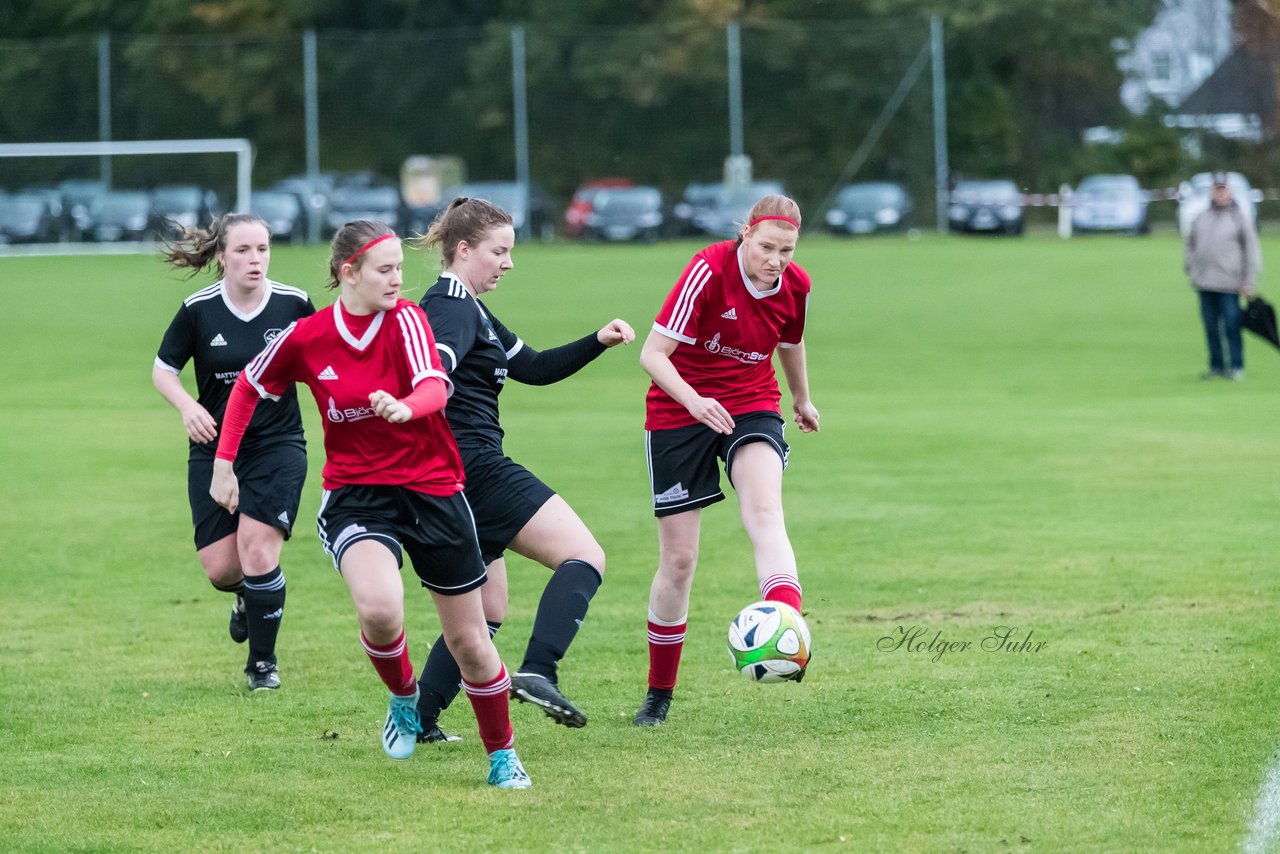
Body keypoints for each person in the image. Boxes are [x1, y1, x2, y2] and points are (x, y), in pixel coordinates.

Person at [210, 220, 531, 787]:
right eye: (385, 270)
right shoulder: (308, 336)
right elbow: (249, 388)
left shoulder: (405, 319)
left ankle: (502, 754)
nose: (397, 280)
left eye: (400, 269)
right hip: (358, 496)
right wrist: (222, 461)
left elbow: (435, 383)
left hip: (433, 489)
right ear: (347, 272)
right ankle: (404, 696)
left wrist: (409, 407)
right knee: (381, 611)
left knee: (471, 644)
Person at [411, 197, 634, 740]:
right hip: (477, 469)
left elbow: (530, 367)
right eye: (499, 251)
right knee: (585, 556)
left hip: (458, 476)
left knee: (485, 609)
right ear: (463, 250)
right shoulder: (449, 309)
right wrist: (429, 381)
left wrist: (597, 342)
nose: (508, 263)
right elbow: (432, 369)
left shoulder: (473, 308)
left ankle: (418, 719)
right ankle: (539, 669)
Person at [634, 194, 820, 727]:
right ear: (745, 235)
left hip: (751, 404)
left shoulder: (796, 285)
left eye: (786, 250)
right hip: (678, 409)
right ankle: (658, 693)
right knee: (680, 560)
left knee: (764, 512)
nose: (776, 259)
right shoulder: (707, 269)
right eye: (766, 246)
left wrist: (801, 398)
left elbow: (791, 341)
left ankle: (787, 633)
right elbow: (652, 354)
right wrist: (693, 401)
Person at [152, 212, 314, 691]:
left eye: (262, 249)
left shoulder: (293, 304)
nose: (255, 259)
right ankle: (246, 596)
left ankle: (262, 665)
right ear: (222, 256)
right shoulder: (198, 309)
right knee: (222, 567)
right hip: (213, 446)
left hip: (277, 444)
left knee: (259, 550)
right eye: (243, 250)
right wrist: (185, 406)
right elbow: (163, 370)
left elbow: (325, 361)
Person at [1185, 172, 1263, 381]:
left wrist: (1249, 280)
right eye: (1216, 189)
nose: (1220, 193)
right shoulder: (1201, 217)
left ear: (1229, 192)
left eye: (1223, 189)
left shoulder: (1239, 218)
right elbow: (1190, 245)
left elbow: (1251, 250)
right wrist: (1191, 268)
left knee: (1231, 325)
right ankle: (1216, 366)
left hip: (1230, 283)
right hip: (1205, 282)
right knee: (1211, 327)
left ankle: (1236, 365)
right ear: (1212, 192)